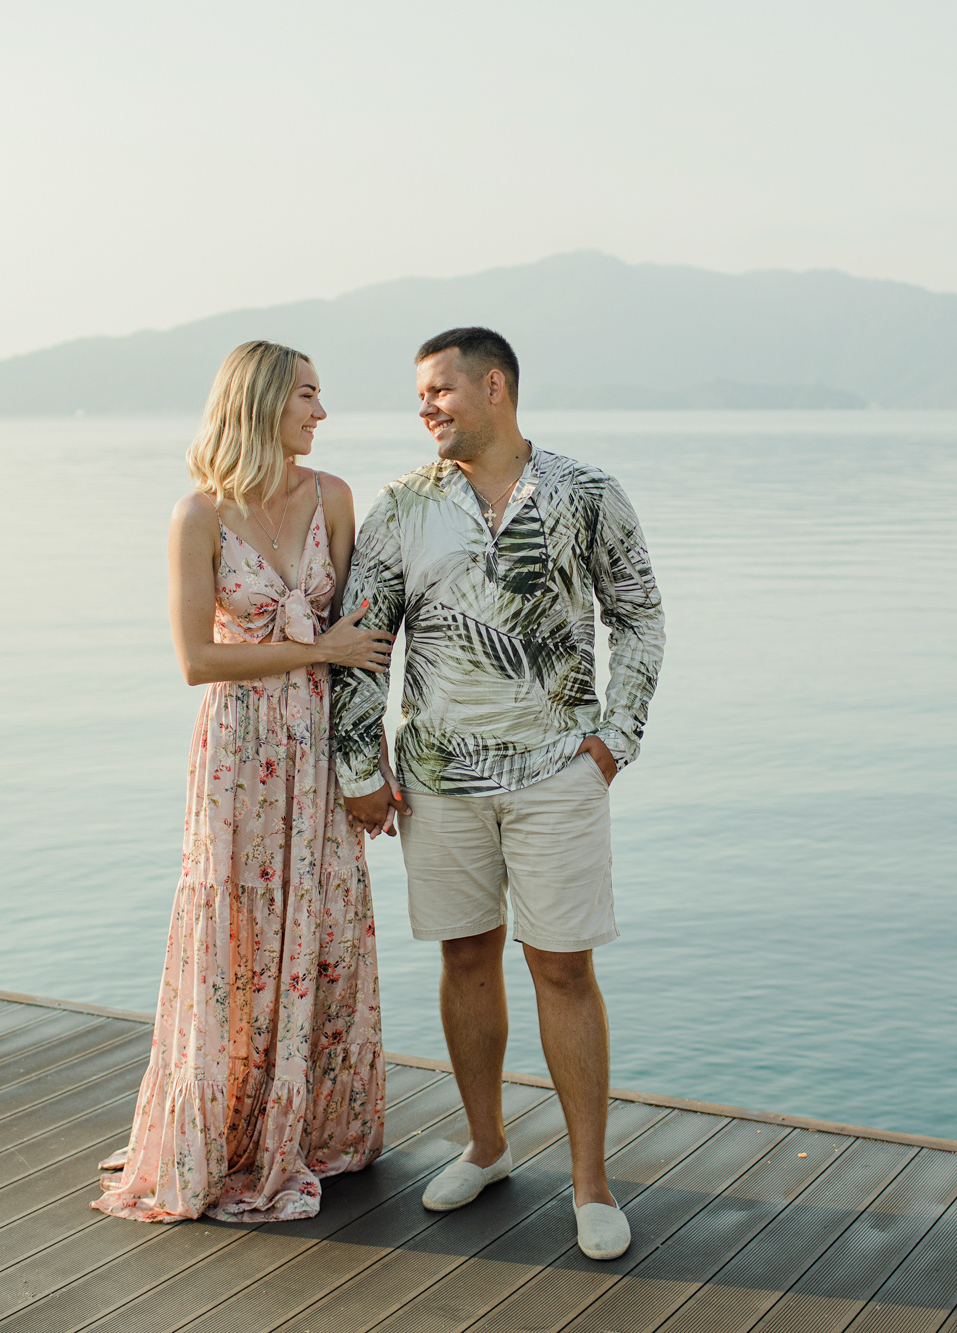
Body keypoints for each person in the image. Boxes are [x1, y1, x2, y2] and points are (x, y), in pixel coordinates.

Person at [332, 327, 665, 1260]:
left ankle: (592, 1186)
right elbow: (364, 644)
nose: (427, 407)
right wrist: (362, 768)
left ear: (496, 387)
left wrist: (616, 738)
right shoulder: (401, 508)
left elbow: (639, 614)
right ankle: (485, 1145)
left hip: (560, 770)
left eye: (440, 390)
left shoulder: (587, 494)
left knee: (562, 964)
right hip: (437, 780)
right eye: (420, 396)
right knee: (466, 958)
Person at [93, 340, 397, 1224]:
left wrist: (366, 766)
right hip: (240, 751)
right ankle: (229, 1132)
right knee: (237, 927)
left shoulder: (334, 499)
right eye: (307, 394)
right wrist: (316, 649)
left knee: (324, 922)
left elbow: (363, 650)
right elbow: (197, 659)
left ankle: (310, 1126)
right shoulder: (198, 516)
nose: (321, 411)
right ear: (263, 403)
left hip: (318, 745)